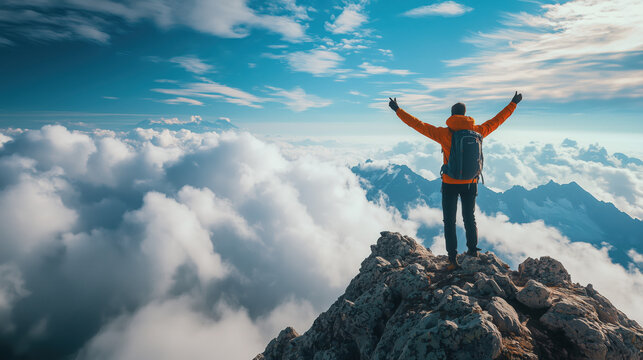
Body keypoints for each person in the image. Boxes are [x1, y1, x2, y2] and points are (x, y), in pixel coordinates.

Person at [388, 92, 522, 270]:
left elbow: (418, 125)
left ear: (451, 116)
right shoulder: (478, 131)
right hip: (470, 182)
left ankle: (452, 259)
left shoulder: (443, 133)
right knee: (469, 217)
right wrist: (513, 103)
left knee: (449, 221)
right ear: (466, 115)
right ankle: (473, 251)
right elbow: (497, 120)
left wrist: (398, 110)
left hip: (450, 182)